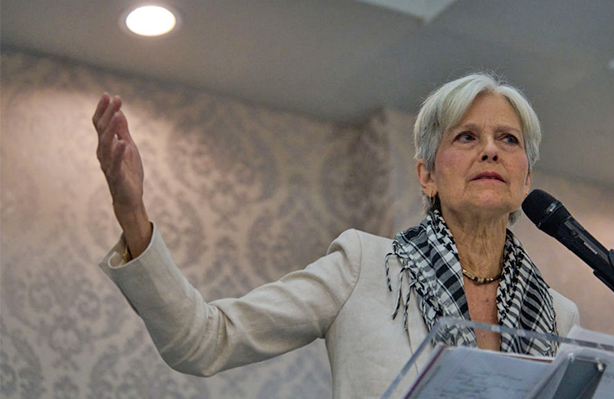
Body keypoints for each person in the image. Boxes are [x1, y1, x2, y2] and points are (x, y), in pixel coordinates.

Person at [94, 72, 580, 399]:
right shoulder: (363, 266)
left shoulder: (558, 316)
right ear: (427, 176)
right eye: (467, 137)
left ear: (526, 179)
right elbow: (203, 339)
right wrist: (133, 213)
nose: (491, 151)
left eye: (508, 140)